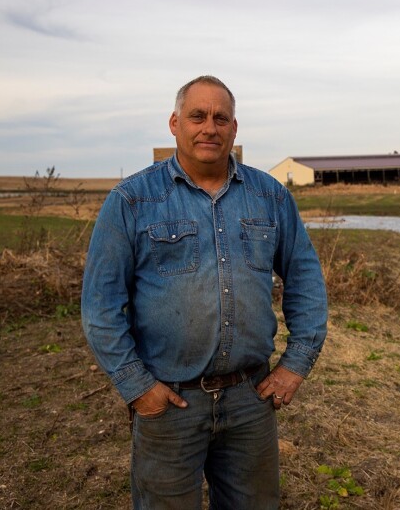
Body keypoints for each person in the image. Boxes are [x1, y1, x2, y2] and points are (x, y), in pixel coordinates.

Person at [81, 75, 328, 509]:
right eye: (197, 116)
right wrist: (137, 386)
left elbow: (305, 279)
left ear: (235, 128)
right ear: (175, 123)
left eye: (221, 118)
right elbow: (101, 306)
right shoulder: (132, 201)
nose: (209, 127)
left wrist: (296, 364)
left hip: (250, 400)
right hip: (169, 404)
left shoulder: (269, 196)